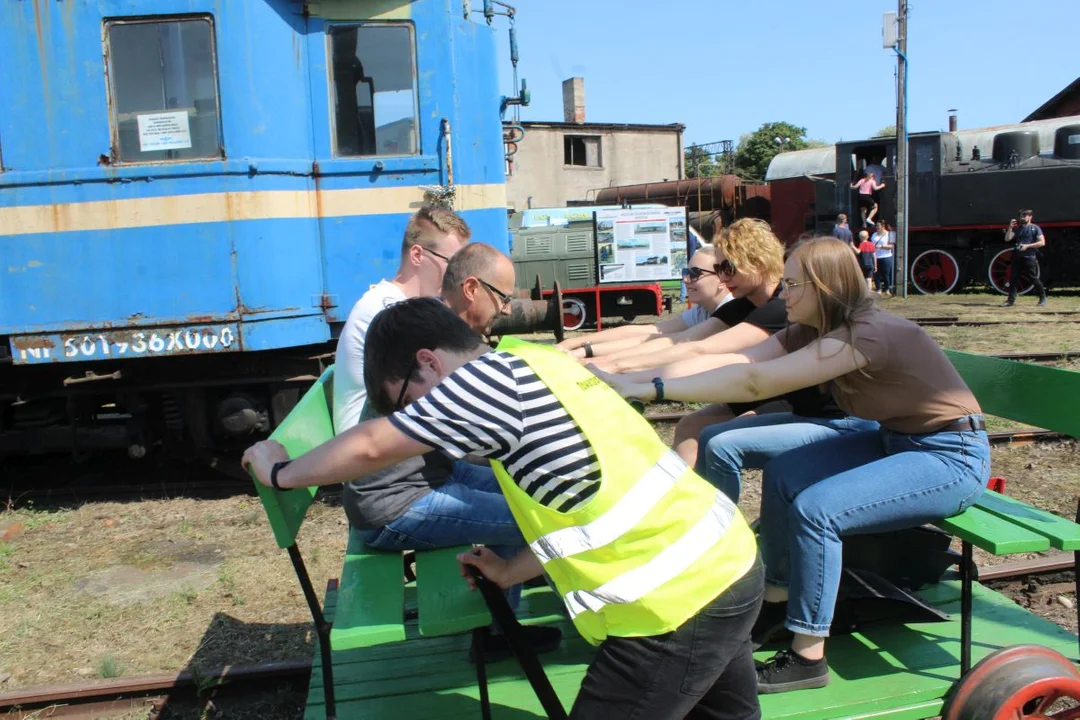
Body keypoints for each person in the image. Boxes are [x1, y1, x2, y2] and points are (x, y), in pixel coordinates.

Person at [243, 297, 766, 720]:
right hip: (725, 563)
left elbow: (373, 445)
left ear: (428, 360)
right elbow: (591, 509)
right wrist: (511, 568)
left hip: (673, 602)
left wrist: (278, 471)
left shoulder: (482, 383)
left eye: (410, 401)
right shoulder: (534, 359)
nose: (421, 420)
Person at [593, 236, 990, 694]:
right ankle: (778, 597)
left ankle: (807, 656)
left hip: (949, 455)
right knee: (786, 475)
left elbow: (755, 379)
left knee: (818, 509)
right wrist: (626, 377)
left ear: (823, 287)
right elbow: (736, 359)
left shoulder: (866, 333)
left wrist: (649, 390)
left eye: (793, 284)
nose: (782, 294)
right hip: (893, 440)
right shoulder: (811, 328)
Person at [587, 219, 842, 467]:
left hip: (791, 397)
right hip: (768, 389)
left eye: (728, 268)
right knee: (691, 427)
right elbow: (681, 341)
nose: (722, 277)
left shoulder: (780, 308)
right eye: (718, 269)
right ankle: (687, 503)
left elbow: (704, 350)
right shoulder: (744, 303)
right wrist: (607, 363)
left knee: (718, 439)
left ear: (757, 262)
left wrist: (627, 375)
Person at [558, 245, 732, 360]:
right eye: (686, 271)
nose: (686, 280)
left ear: (722, 278)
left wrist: (588, 356)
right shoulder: (703, 310)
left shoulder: (730, 309)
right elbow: (652, 331)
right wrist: (572, 344)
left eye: (695, 273)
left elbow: (671, 341)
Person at [1001, 209, 1048, 307]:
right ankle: (1010, 300)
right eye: (1021, 216)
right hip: (1017, 256)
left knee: (1033, 278)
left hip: (1029, 257)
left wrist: (1028, 246)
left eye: (1024, 215)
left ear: (1030, 217)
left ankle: (1042, 297)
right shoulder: (1018, 228)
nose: (1022, 217)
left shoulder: (1035, 228)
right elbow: (1007, 238)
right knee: (1013, 279)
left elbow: (1042, 242)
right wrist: (1010, 227)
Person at [870, 221, 894, 297]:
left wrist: (882, 247)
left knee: (886, 274)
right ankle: (878, 289)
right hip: (875, 256)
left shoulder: (888, 234)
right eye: (876, 226)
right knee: (876, 274)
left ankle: (887, 289)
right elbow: (871, 244)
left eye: (878, 226)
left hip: (886, 256)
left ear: (883, 226)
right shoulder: (874, 234)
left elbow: (891, 246)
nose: (876, 227)